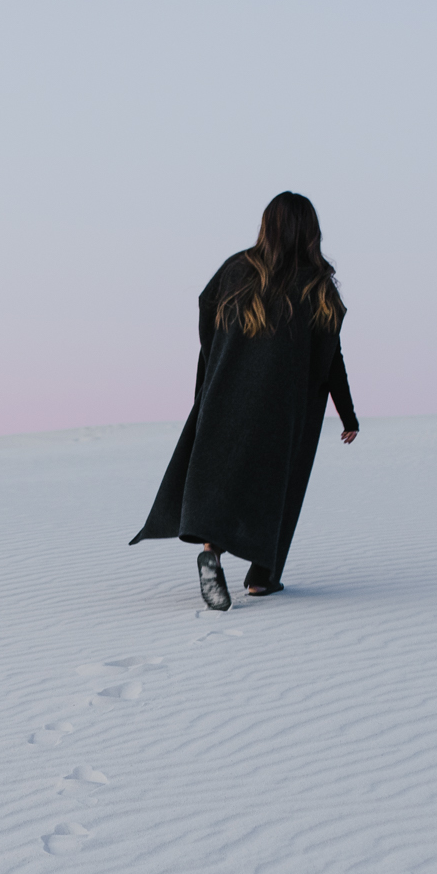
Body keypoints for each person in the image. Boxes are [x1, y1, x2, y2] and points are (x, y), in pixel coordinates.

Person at [133, 192, 358, 609]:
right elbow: (331, 358)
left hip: (226, 394)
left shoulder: (236, 270)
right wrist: (348, 414)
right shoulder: (317, 285)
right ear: (311, 231)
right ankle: (261, 578)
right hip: (286, 408)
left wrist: (219, 368)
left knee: (223, 478)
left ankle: (211, 554)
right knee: (277, 485)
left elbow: (206, 318)